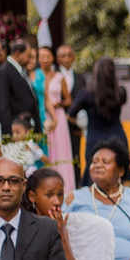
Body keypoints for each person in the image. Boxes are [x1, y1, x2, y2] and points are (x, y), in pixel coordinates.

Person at [68, 58, 129, 185]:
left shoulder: (86, 94)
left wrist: (81, 126)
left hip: (95, 139)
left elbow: (70, 114)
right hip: (117, 136)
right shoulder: (121, 92)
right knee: (117, 175)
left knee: (94, 176)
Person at [41, 45, 74, 193]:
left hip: (58, 117)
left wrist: (59, 103)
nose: (45, 60)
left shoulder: (59, 77)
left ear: (52, 58)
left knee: (60, 151)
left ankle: (64, 187)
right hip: (43, 116)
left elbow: (69, 100)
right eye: (42, 57)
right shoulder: (35, 76)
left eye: (48, 57)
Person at [0, 41, 41, 137]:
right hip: (16, 131)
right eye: (28, 56)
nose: (29, 59)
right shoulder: (3, 72)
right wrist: (10, 133)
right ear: (18, 54)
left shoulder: (20, 70)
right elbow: (3, 107)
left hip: (26, 127)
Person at [56, 45, 84, 187]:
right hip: (58, 125)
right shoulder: (53, 76)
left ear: (73, 57)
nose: (66, 59)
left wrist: (82, 126)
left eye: (69, 55)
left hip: (74, 126)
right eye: (63, 56)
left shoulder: (80, 79)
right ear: (58, 58)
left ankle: (77, 185)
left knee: (75, 156)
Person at [28, 47, 50, 139]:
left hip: (41, 115)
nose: (30, 60)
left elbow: (46, 98)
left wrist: (54, 118)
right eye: (28, 57)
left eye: (33, 58)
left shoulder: (40, 73)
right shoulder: (21, 75)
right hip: (28, 117)